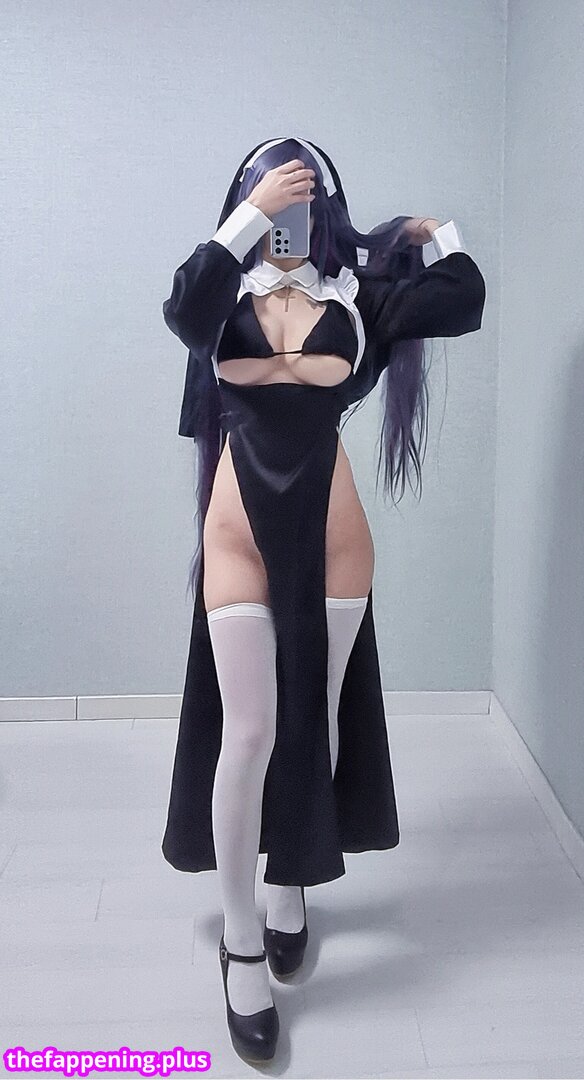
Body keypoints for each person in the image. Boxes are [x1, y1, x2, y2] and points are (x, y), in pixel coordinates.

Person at [161, 136, 486, 1062]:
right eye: (277, 202)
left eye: (305, 204)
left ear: (329, 213)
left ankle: (288, 883)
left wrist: (433, 233)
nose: (290, 221)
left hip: (334, 532)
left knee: (320, 719)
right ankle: (240, 940)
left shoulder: (355, 296)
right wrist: (251, 213)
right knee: (250, 732)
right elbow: (181, 307)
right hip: (239, 532)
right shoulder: (220, 290)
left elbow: (462, 297)